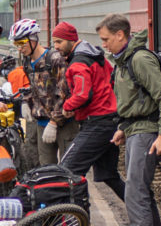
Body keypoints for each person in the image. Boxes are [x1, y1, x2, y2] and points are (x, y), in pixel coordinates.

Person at [98, 14, 161, 226]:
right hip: (135, 130)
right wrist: (123, 128)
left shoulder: (139, 60)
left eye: (106, 39)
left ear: (120, 34)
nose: (103, 44)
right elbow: (136, 100)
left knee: (135, 193)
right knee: (139, 191)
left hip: (146, 132)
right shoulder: (124, 61)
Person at [52, 21, 126, 201]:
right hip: (110, 120)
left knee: (67, 170)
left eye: (59, 42)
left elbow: (82, 94)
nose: (56, 46)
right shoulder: (96, 56)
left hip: (97, 123)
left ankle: (76, 214)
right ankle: (143, 210)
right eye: (54, 42)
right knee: (109, 175)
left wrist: (67, 107)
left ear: (71, 40)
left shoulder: (78, 63)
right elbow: (112, 81)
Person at [9, 18, 77, 166]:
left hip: (64, 123)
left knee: (68, 168)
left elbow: (65, 93)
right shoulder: (27, 62)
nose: (19, 48)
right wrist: (26, 101)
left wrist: (54, 122)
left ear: (33, 39)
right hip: (42, 123)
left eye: (22, 43)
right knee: (46, 168)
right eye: (16, 44)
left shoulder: (54, 59)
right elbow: (34, 87)